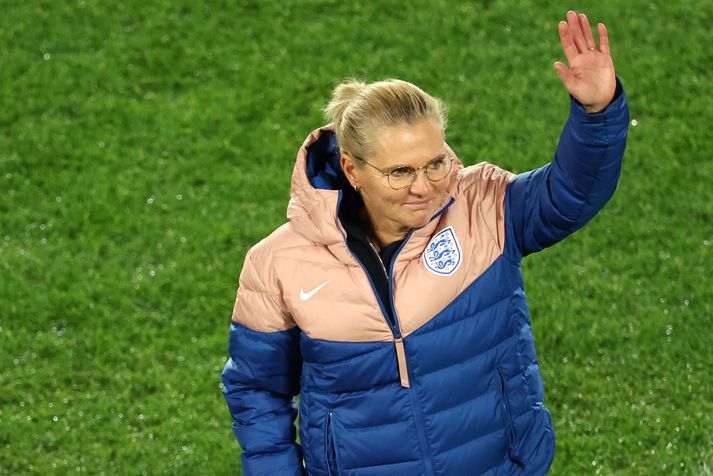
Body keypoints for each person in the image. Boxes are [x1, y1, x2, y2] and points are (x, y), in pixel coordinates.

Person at [221, 10, 629, 476]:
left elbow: (571, 194)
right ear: (352, 170)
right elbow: (256, 389)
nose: (424, 187)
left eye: (435, 163)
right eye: (400, 172)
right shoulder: (277, 264)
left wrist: (598, 113)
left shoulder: (483, 206)